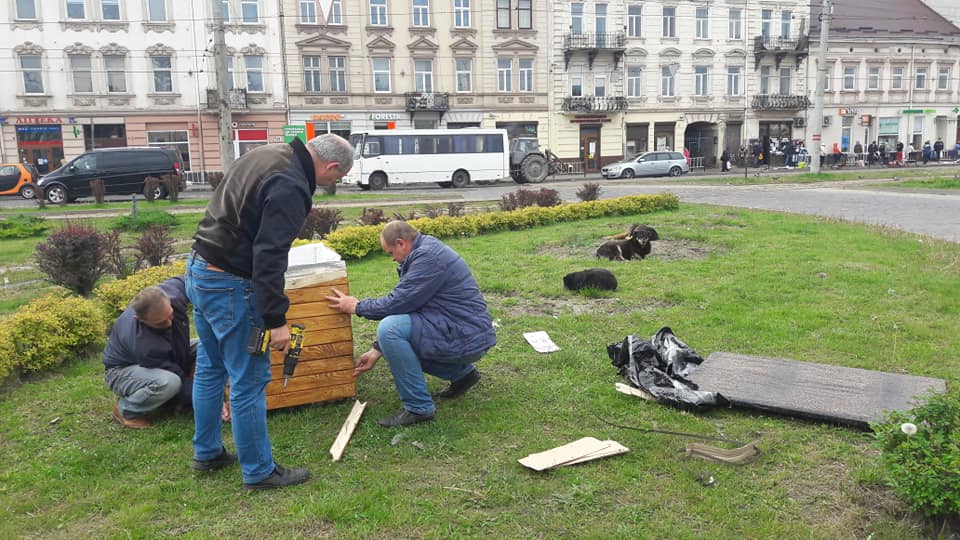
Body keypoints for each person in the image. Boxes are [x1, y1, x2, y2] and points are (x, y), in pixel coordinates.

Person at [186, 133, 353, 489]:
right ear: (331, 166)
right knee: (249, 379)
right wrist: (275, 320)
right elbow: (270, 255)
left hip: (200, 269)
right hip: (230, 284)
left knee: (211, 367)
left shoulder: (268, 153)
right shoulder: (291, 184)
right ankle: (259, 472)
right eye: (335, 179)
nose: (330, 185)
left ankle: (208, 452)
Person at [326, 221, 497, 428]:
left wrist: (357, 306)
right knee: (392, 337)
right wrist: (377, 349)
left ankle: (418, 408)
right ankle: (462, 375)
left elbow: (398, 302)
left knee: (390, 329)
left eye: (390, 252)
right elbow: (412, 303)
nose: (392, 259)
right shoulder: (426, 250)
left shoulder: (428, 258)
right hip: (460, 330)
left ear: (401, 243)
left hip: (465, 336)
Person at [104, 277, 210, 429]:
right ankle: (125, 409)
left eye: (170, 315)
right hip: (121, 371)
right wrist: (211, 401)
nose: (169, 323)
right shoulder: (144, 344)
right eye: (160, 323)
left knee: (210, 345)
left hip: (172, 351)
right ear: (139, 319)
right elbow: (177, 377)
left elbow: (194, 277)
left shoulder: (174, 292)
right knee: (170, 382)